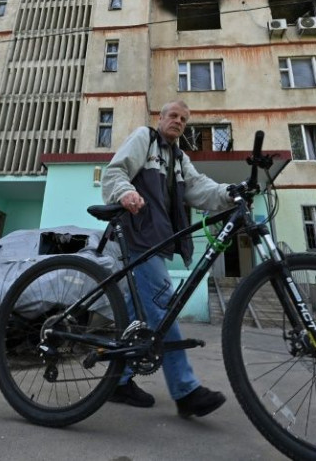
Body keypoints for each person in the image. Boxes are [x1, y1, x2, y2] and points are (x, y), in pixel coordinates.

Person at [101, 100, 234, 418]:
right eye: (173, 116)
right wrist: (125, 192)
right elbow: (115, 171)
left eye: (184, 120)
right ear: (160, 119)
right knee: (164, 305)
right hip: (136, 233)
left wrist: (231, 191)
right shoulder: (143, 139)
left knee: (138, 314)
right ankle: (185, 390)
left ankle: (116, 382)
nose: (178, 122)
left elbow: (200, 188)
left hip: (156, 240)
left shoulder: (178, 158)